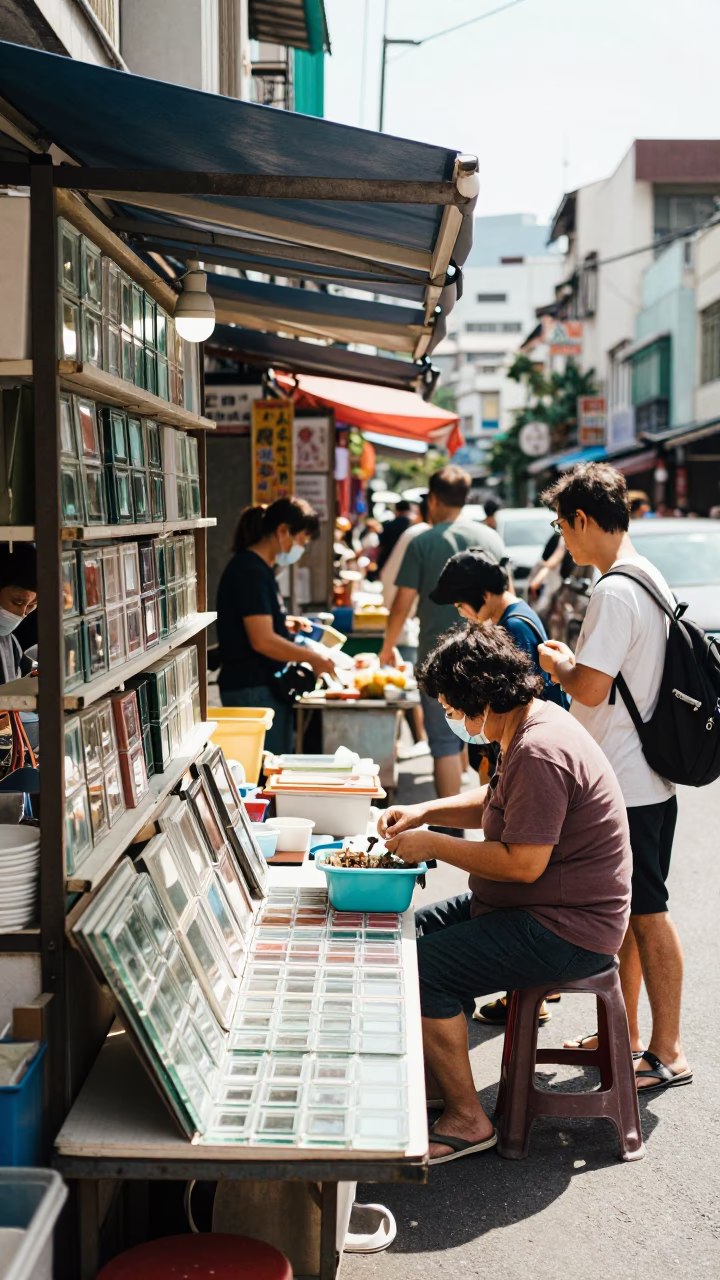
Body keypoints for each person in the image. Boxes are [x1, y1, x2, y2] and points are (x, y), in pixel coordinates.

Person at [377, 623, 631, 1164]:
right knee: (401, 934)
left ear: (485, 700)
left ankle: (467, 1119)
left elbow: (523, 863)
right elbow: (493, 804)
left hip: (565, 928)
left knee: (422, 969)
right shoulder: (527, 723)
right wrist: (425, 812)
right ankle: (438, 1082)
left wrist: (433, 844)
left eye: (455, 709)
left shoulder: (539, 749)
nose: (456, 721)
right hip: (530, 908)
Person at [538, 463, 692, 1095]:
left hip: (625, 781)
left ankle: (668, 1049)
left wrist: (560, 663)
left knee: (648, 913)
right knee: (629, 914)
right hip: (645, 775)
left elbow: (593, 688)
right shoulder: (647, 576)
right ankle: (621, 1037)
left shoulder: (613, 591)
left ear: (582, 519)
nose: (563, 540)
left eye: (562, 527)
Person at [378, 465, 504, 799]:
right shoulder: (490, 538)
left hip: (436, 659)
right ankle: (489, 816)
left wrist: (387, 647)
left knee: (444, 742)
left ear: (433, 499)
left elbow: (402, 604)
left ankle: (451, 820)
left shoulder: (423, 542)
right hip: (487, 654)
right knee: (487, 739)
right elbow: (506, 597)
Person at [216, 498, 336, 754]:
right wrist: (313, 657)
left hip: (260, 687)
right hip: (253, 689)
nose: (300, 548)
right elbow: (263, 641)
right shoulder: (250, 571)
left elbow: (255, 622)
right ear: (282, 531)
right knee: (266, 770)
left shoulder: (259, 569)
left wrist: (283, 624)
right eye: (301, 540)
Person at [376, 500, 415, 574]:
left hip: (387, 562)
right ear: (408, 511)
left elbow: (381, 545)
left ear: (396, 511)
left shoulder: (388, 525)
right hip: (405, 564)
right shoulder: (413, 527)